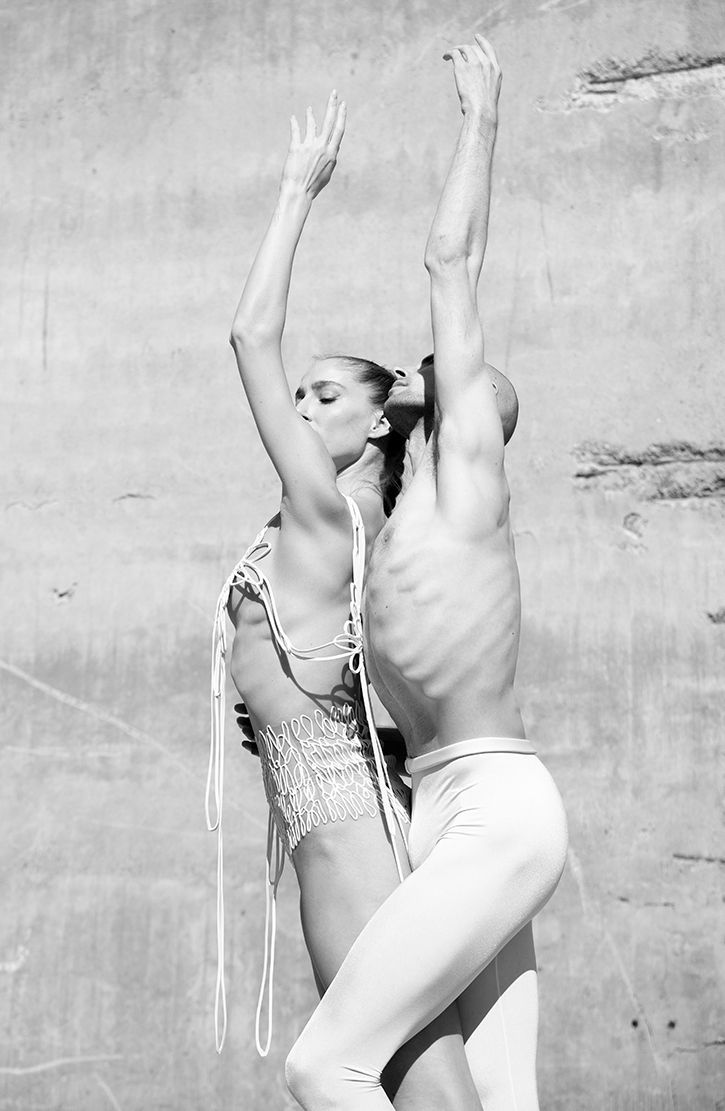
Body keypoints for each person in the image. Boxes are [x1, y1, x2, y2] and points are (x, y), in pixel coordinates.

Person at [284, 35, 568, 1111]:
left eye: (458, 374)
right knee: (500, 1097)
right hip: (432, 801)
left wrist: (480, 118)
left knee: (329, 1064)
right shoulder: (387, 517)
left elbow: (454, 266)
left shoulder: (469, 484)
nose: (436, 367)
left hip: (497, 802)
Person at [206, 90, 485, 1110]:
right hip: (343, 823)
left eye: (325, 395)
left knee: (389, 1079)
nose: (299, 403)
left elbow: (247, 337)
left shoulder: (327, 510)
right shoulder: (355, 518)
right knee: (407, 1078)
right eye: (304, 393)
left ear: (374, 428)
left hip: (350, 837)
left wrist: (293, 192)